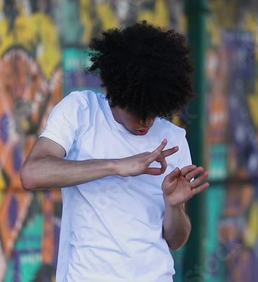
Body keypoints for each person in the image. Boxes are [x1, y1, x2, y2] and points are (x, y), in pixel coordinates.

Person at [20, 21, 209, 282]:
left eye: (151, 112)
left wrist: (173, 206)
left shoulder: (172, 139)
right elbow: (32, 173)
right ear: (111, 91)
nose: (145, 122)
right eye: (136, 111)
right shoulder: (81, 111)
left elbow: (176, 240)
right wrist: (115, 165)